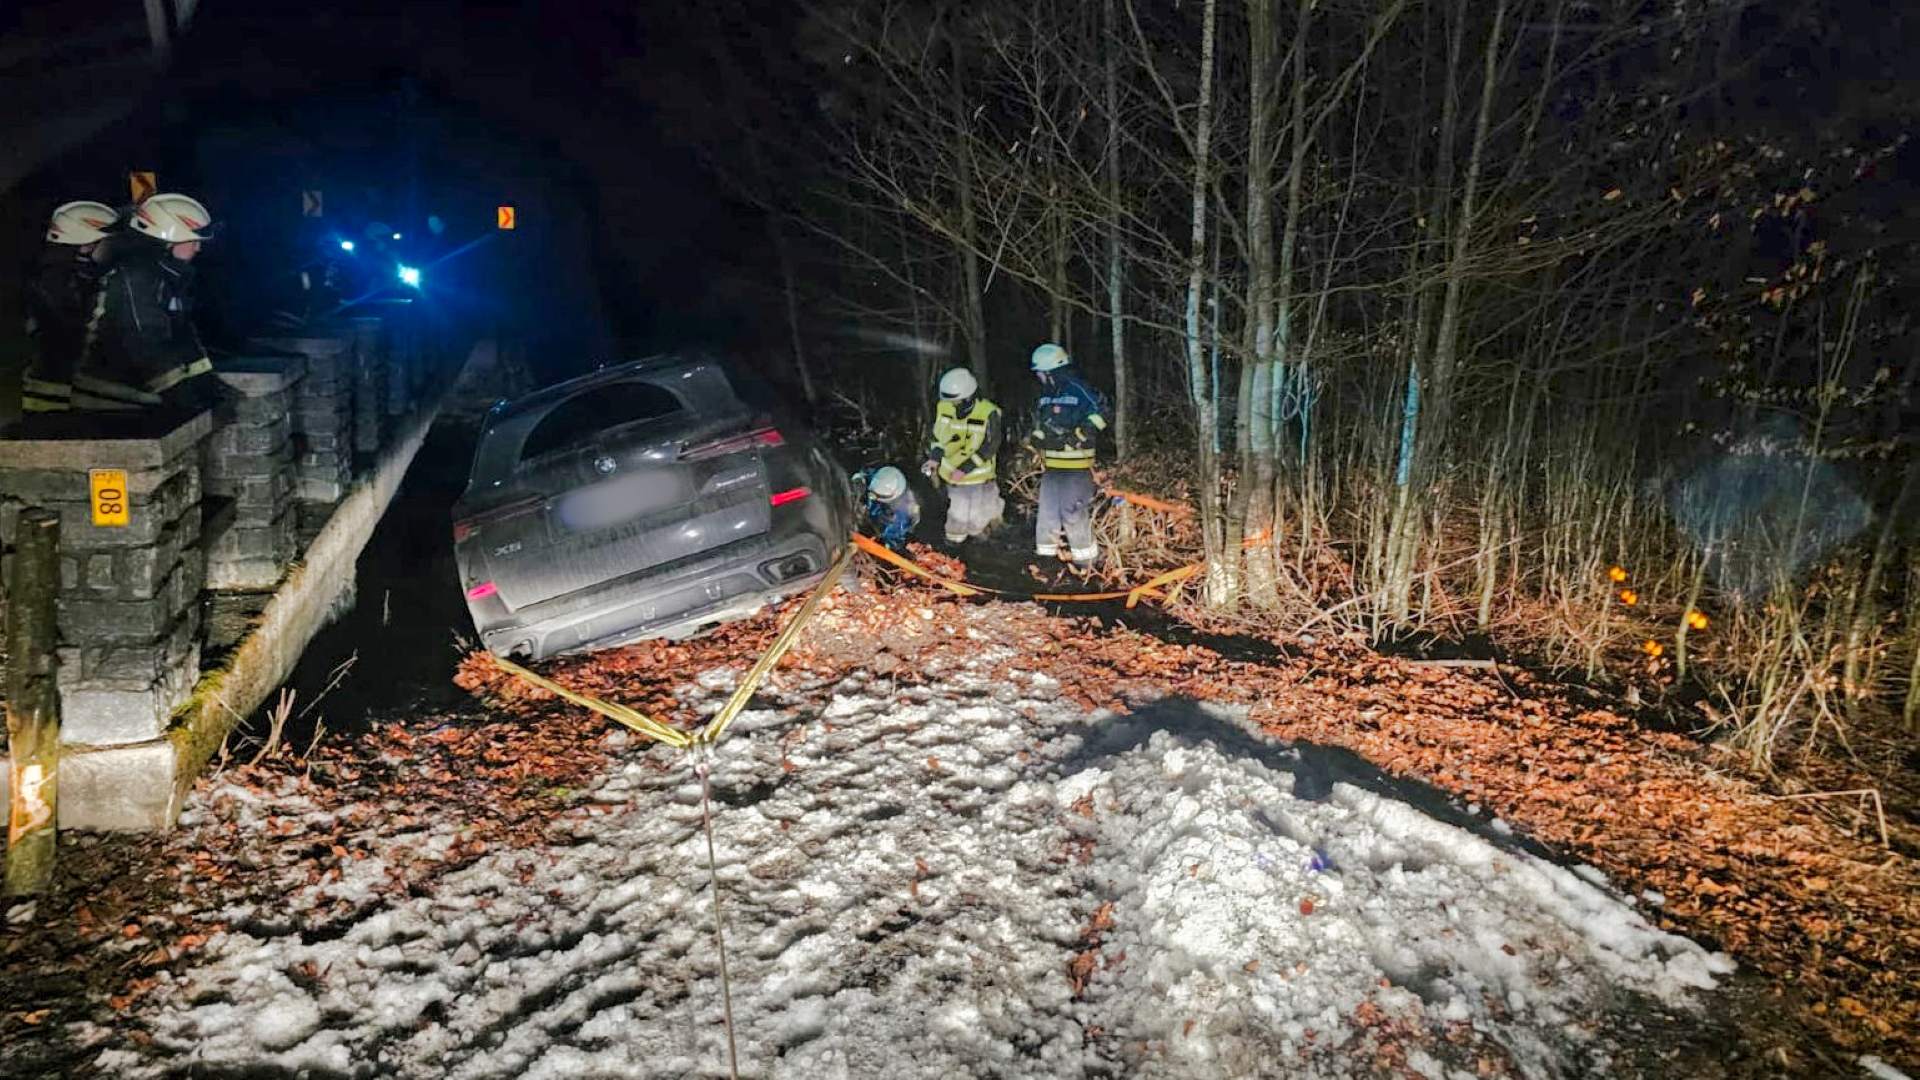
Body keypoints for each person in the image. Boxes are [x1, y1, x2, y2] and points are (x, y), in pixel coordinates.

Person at [76, 192, 217, 410]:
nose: (198, 248)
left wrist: (208, 386)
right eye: (193, 240)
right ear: (169, 240)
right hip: (109, 393)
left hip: (135, 386)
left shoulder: (165, 277)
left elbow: (182, 338)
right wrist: (181, 396)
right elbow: (145, 342)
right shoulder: (137, 278)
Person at [21, 200, 117, 412]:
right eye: (105, 241)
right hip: (52, 393)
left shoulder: (74, 273)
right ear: (87, 242)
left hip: (61, 388)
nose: (111, 247)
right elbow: (70, 333)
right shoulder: (56, 280)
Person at [1027, 342, 1108, 566]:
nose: (1039, 377)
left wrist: (1079, 435)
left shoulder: (1078, 389)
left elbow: (1101, 413)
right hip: (1052, 465)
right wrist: (1037, 436)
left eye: (1041, 373)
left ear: (1051, 372)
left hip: (1077, 466)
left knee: (1074, 515)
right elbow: (1041, 422)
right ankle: (1046, 562)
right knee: (1047, 514)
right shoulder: (1045, 395)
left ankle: (1088, 565)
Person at [921, 366, 1005, 545]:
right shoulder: (944, 407)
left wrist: (965, 468)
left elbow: (992, 445)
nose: (952, 405)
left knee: (980, 517)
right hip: (953, 477)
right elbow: (939, 437)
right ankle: (953, 546)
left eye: (956, 402)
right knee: (958, 517)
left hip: (979, 476)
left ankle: (980, 545)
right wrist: (934, 459)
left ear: (968, 397)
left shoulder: (988, 413)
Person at [852, 465, 920, 553]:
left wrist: (890, 546)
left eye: (876, 495)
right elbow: (863, 474)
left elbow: (894, 537)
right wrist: (858, 481)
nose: (871, 497)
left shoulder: (902, 515)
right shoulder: (881, 478)